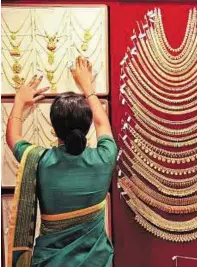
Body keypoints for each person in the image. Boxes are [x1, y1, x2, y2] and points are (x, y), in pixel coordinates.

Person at [6, 56, 118, 267]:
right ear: (87, 126)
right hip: (96, 261)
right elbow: (103, 123)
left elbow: (13, 138)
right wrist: (88, 86)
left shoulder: (40, 160)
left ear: (53, 127)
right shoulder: (104, 158)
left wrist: (20, 101)